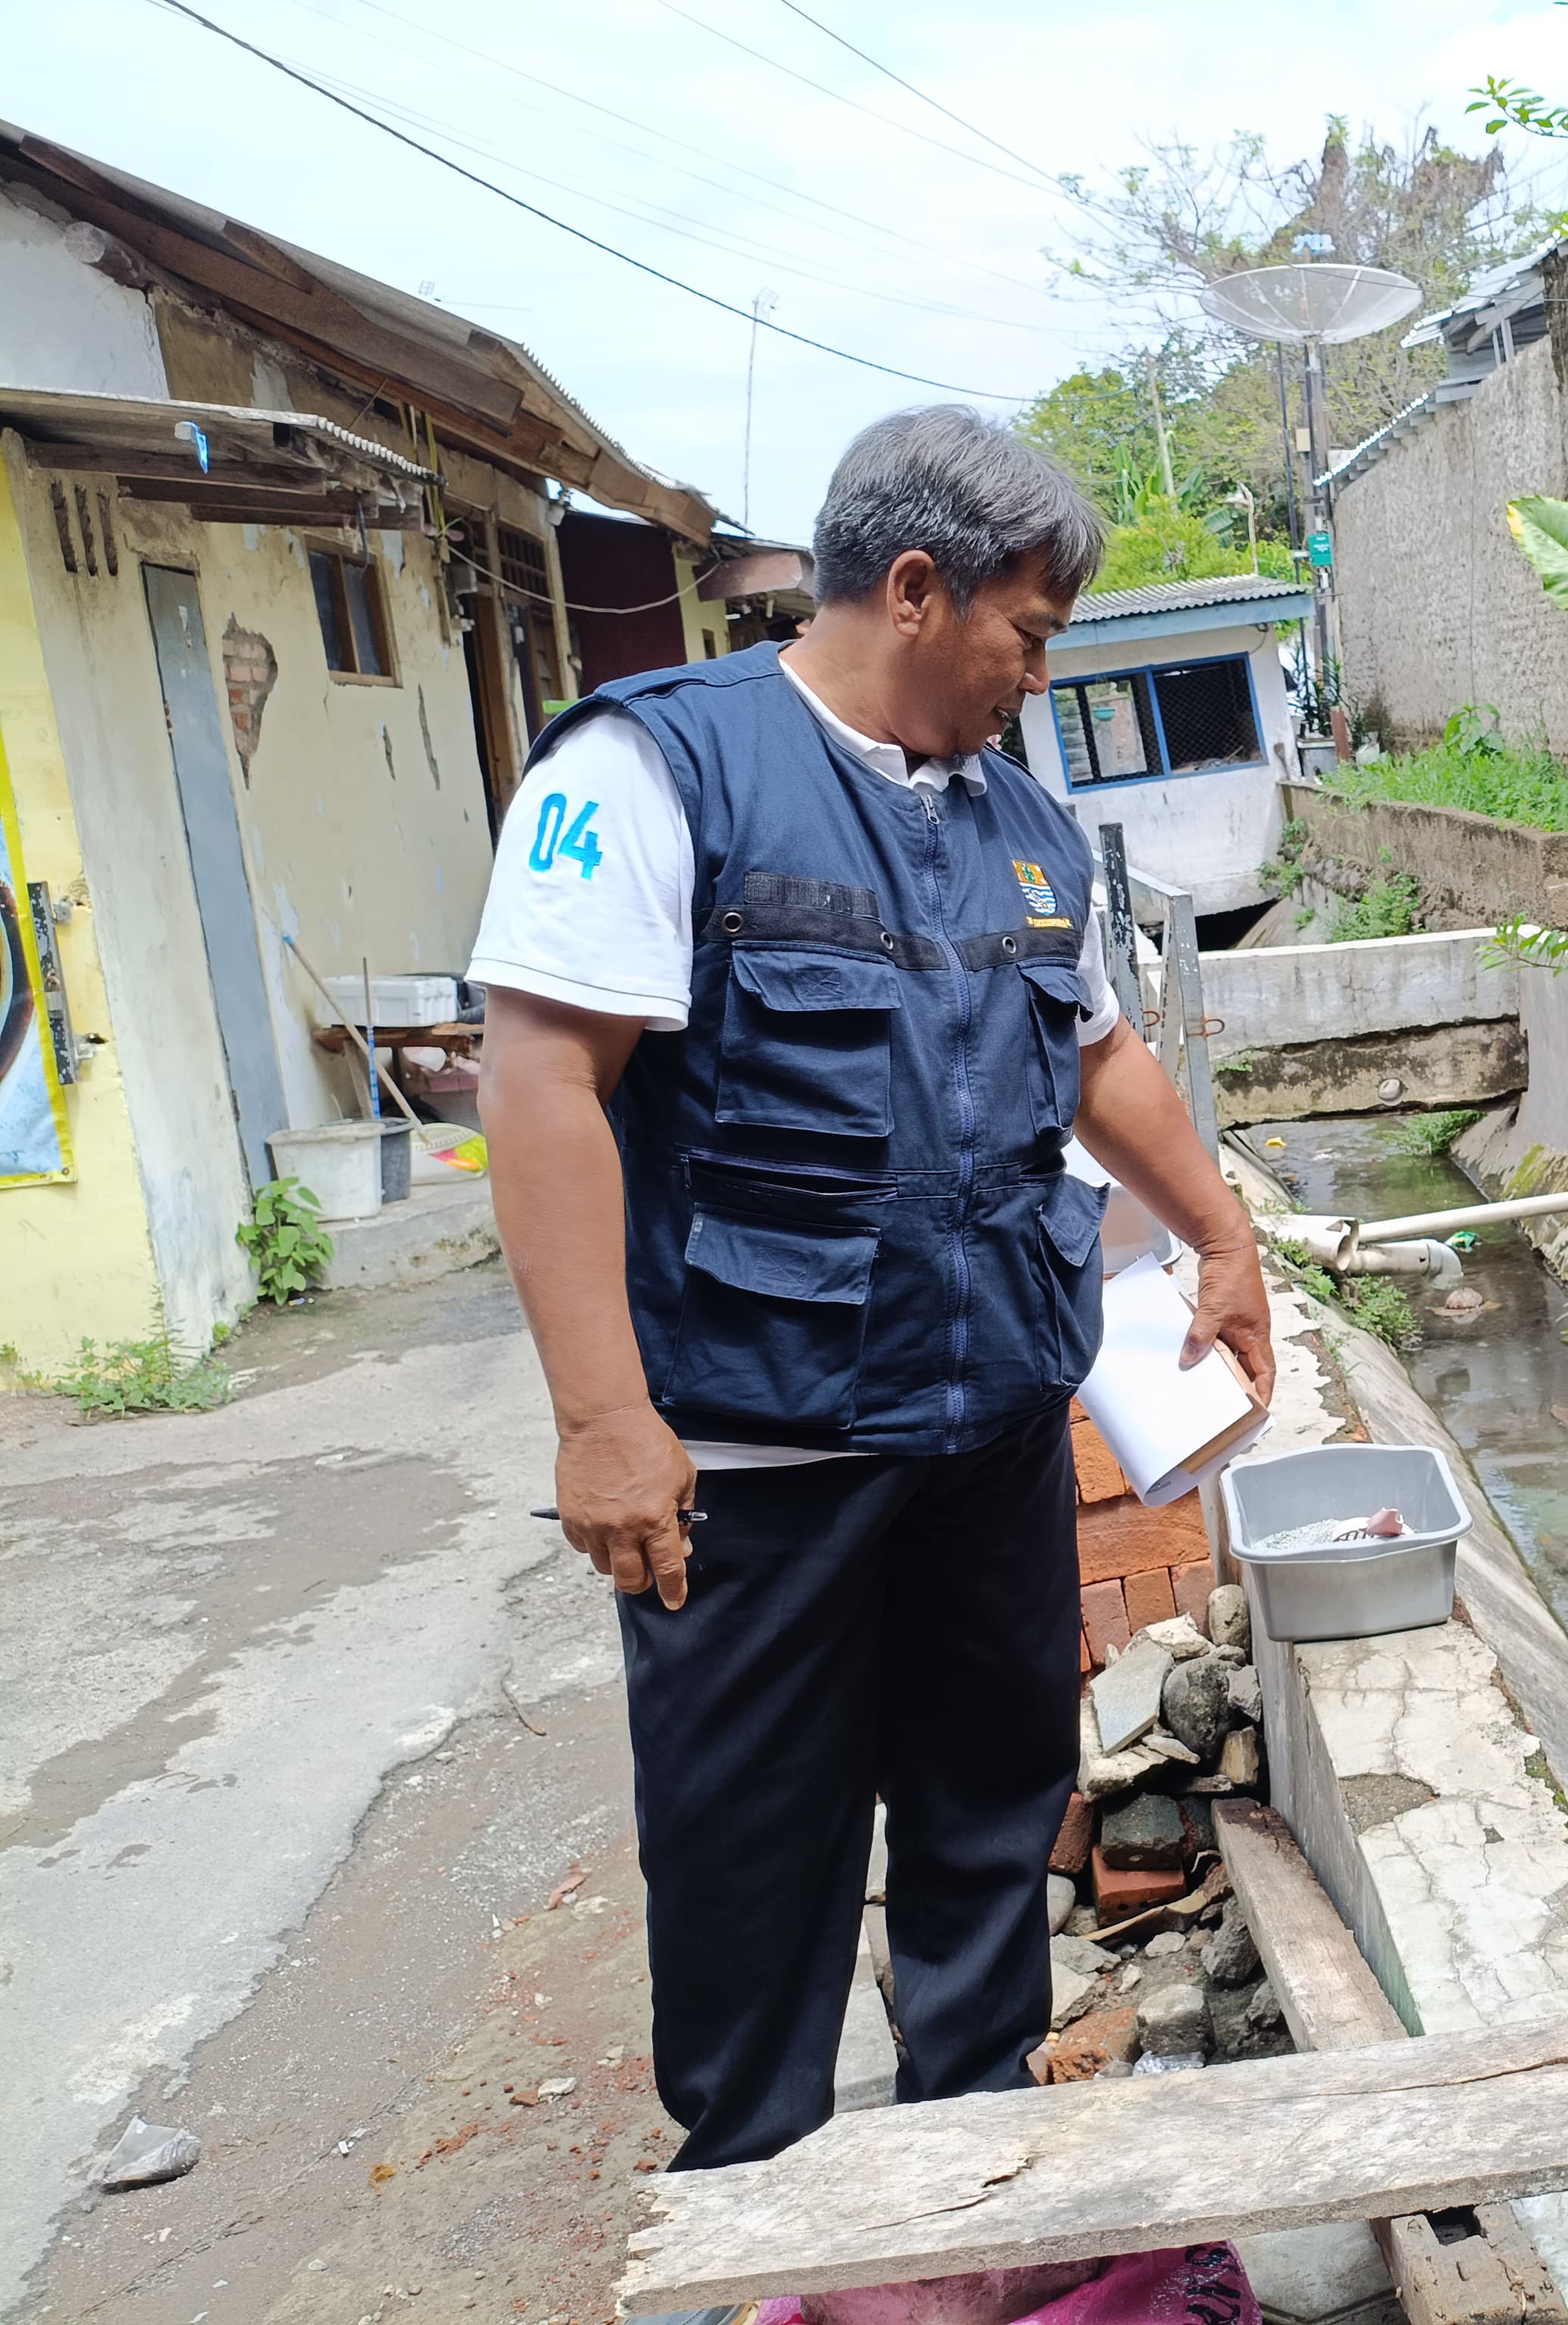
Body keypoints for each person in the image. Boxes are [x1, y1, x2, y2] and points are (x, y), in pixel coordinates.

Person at [469, 406, 1273, 2173]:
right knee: (755, 1845)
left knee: (990, 1812)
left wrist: (1218, 1232)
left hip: (984, 1432)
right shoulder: (654, 774)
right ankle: (752, 2201)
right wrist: (604, 1423)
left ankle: (967, 2163)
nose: (1035, 684)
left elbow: (1098, 1054)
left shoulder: (1022, 824)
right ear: (917, 590)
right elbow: (539, 1088)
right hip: (759, 1454)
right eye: (1030, 639)